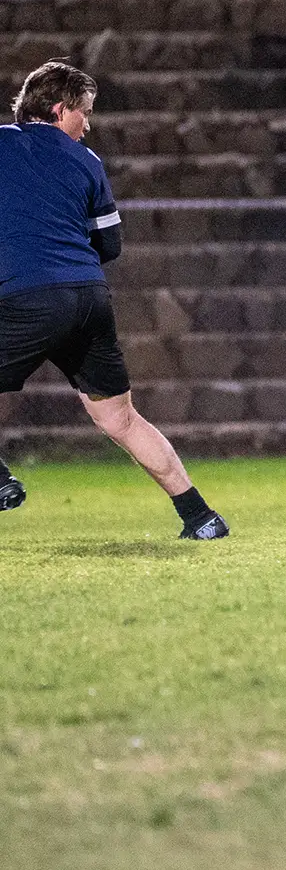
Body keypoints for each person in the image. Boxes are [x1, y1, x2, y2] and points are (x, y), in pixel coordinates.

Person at [0, 61, 228, 539]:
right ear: (60, 110)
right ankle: (201, 518)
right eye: (85, 112)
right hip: (88, 297)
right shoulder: (88, 162)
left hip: (28, 297)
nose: (89, 123)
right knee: (119, 418)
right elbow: (110, 245)